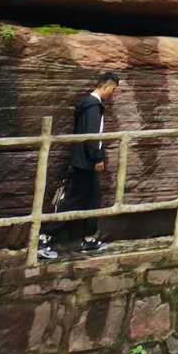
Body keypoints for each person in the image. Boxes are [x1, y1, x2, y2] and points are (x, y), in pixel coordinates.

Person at [45, 70, 121, 259]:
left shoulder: (91, 105)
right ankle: (44, 237)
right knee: (72, 201)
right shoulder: (92, 106)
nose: (113, 93)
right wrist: (97, 157)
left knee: (92, 200)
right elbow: (91, 134)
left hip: (84, 161)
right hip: (84, 163)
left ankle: (87, 239)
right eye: (113, 89)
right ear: (105, 85)